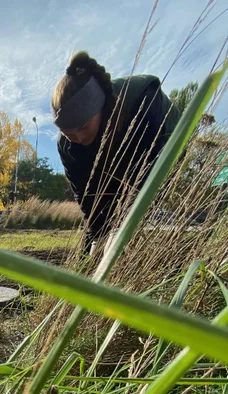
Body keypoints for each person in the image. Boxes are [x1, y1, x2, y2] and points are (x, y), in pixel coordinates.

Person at [52, 51, 180, 253]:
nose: (78, 139)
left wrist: (119, 232)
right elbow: (87, 198)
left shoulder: (144, 103)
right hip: (106, 159)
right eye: (69, 134)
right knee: (95, 237)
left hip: (161, 148)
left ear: (100, 110)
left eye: (83, 128)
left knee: (123, 234)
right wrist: (97, 238)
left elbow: (146, 182)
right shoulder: (67, 147)